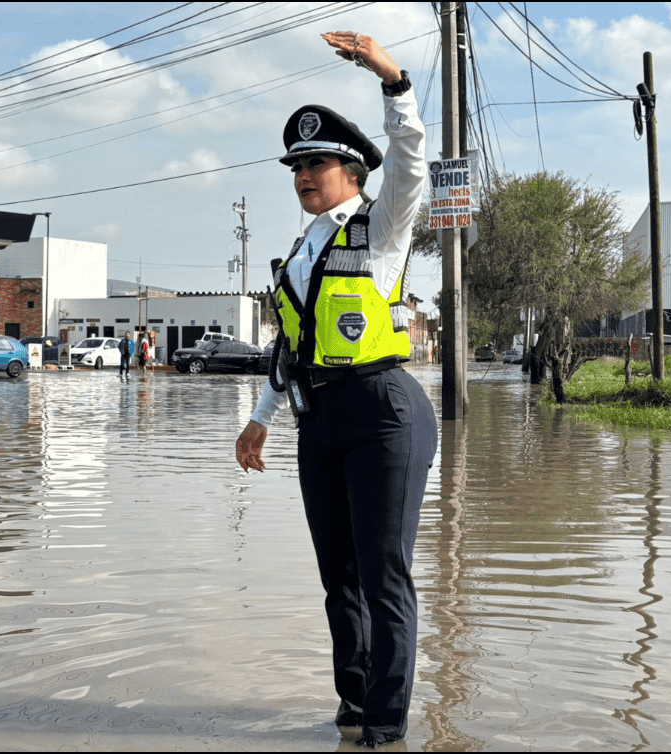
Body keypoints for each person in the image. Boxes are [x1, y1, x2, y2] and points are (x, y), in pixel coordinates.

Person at [234, 31, 438, 747]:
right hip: (316, 420)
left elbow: (412, 161)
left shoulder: (381, 230)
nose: (302, 175)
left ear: (353, 172)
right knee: (338, 579)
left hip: (385, 412)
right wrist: (260, 417)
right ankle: (353, 712)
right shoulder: (299, 254)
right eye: (295, 166)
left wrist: (392, 78)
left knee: (384, 577)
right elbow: (291, 345)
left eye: (316, 162)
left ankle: (388, 724)